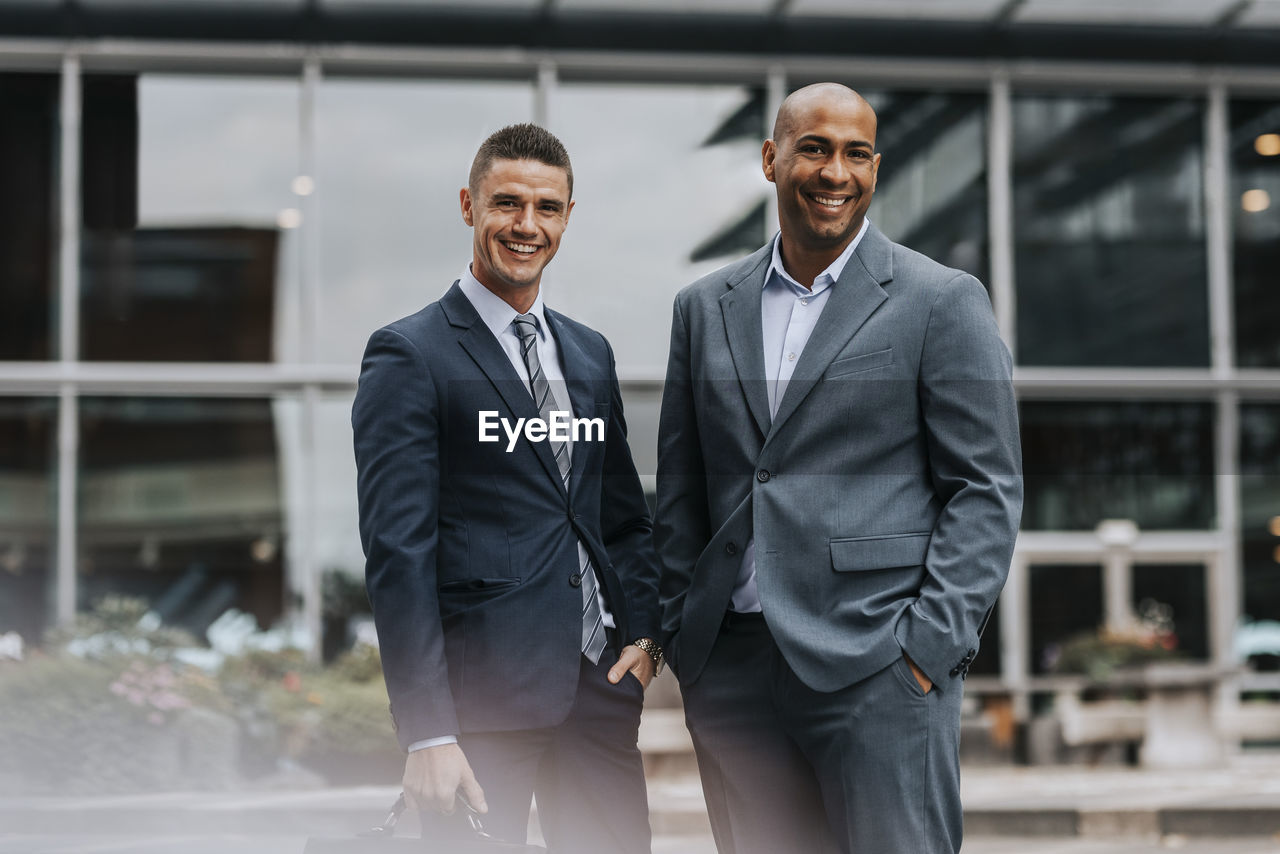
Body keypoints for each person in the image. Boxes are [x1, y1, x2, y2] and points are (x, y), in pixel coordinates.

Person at [655, 83, 1023, 854]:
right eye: (815, 148)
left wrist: (926, 650)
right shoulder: (702, 307)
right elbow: (684, 486)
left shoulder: (941, 301)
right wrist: (687, 642)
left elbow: (984, 491)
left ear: (876, 168)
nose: (836, 171)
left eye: (857, 153)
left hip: (878, 668)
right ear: (772, 159)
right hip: (735, 672)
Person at [352, 123, 661, 854]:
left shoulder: (588, 354)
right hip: (478, 713)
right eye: (507, 204)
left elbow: (621, 518)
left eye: (547, 208)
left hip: (599, 695)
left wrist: (645, 633)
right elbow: (398, 551)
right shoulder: (409, 354)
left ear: (568, 216)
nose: (527, 226)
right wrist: (427, 728)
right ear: (469, 205)